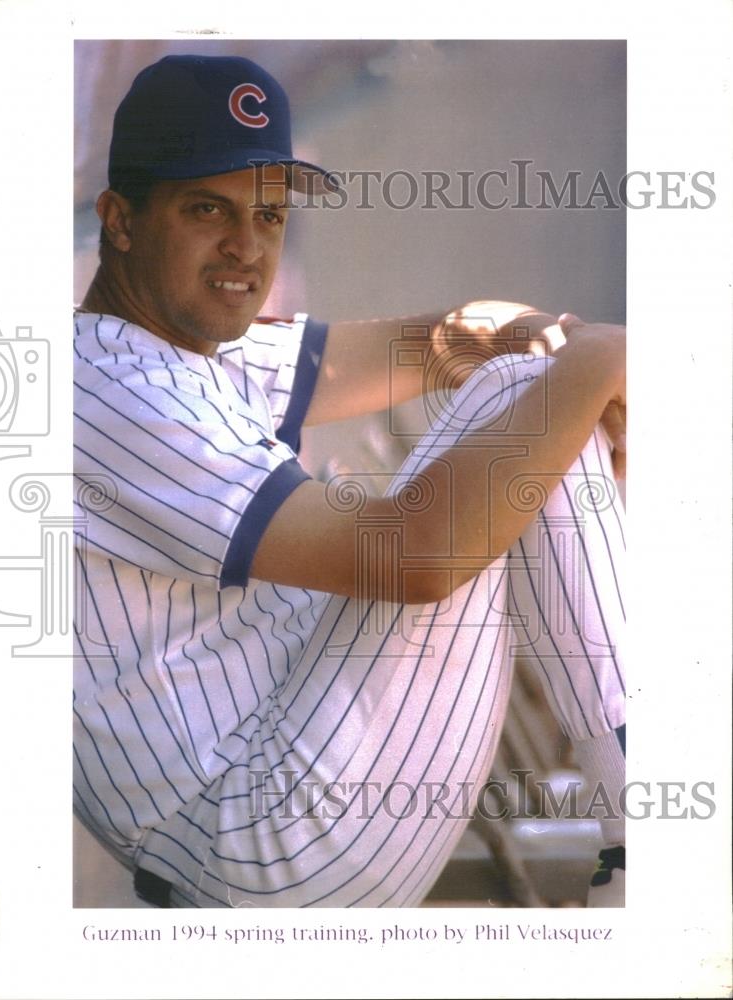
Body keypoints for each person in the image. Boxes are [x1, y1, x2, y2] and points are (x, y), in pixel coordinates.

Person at [73, 54, 626, 908]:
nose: (246, 247)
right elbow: (418, 558)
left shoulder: (183, 351)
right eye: (206, 209)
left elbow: (450, 340)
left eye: (269, 216)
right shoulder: (107, 384)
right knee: (530, 399)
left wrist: (552, 339)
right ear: (118, 219)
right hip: (259, 835)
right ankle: (654, 830)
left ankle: (643, 815)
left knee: (536, 383)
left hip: (292, 784)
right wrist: (601, 358)